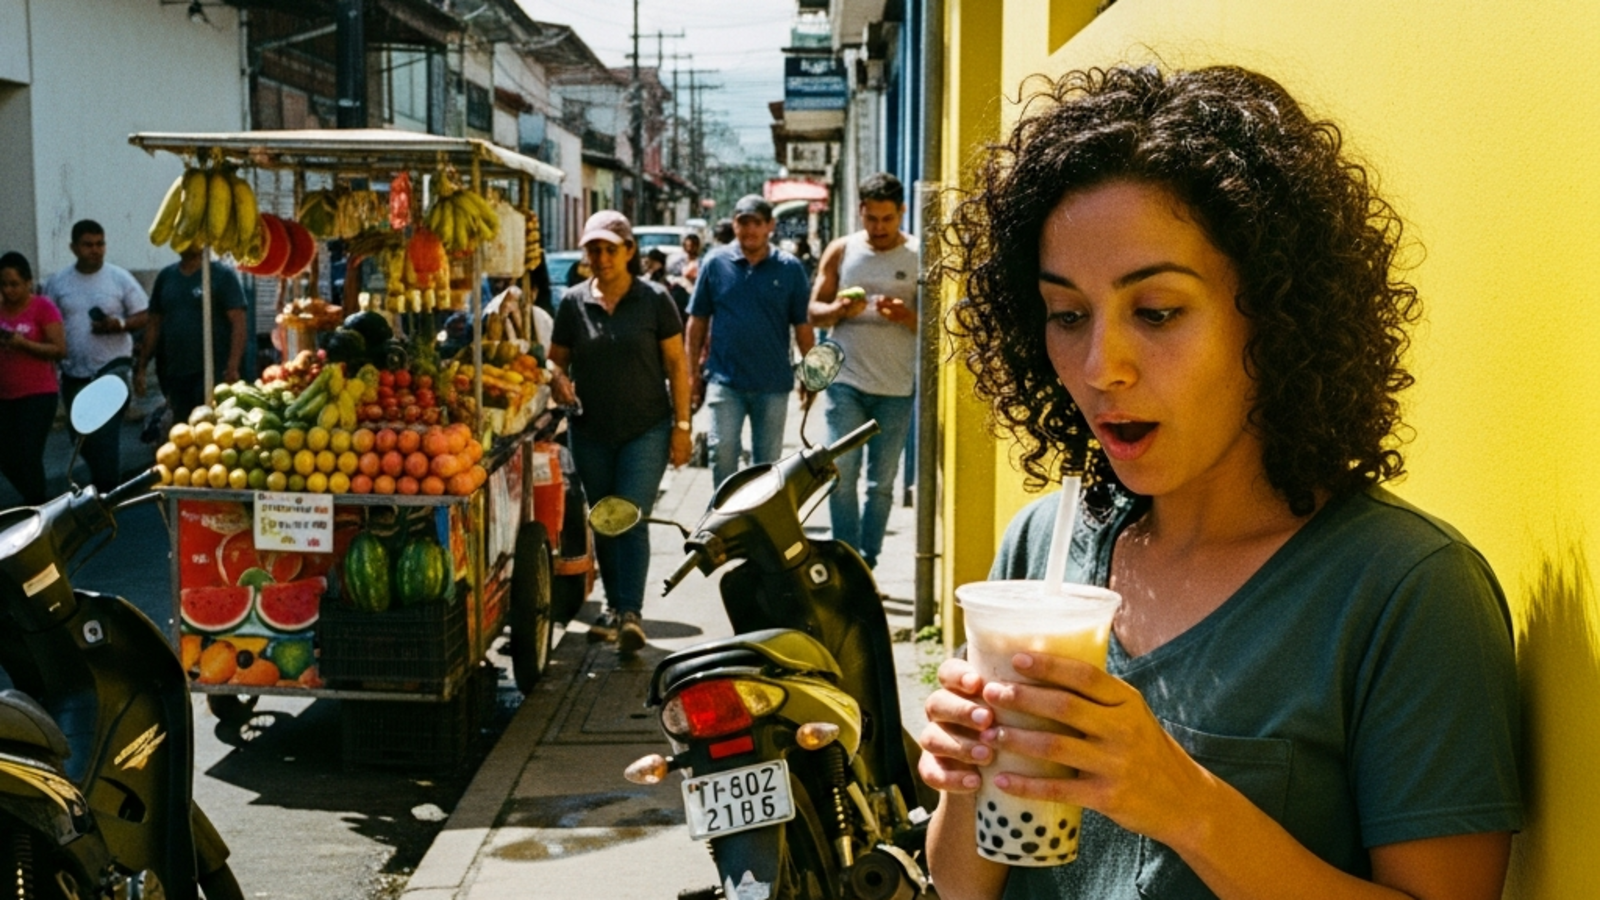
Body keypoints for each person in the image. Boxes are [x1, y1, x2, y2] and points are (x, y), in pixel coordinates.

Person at [919, 65, 1520, 900]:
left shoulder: (1406, 592)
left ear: (1275, 315)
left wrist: (1184, 805)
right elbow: (959, 887)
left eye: (1157, 311)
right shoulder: (1044, 548)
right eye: (1067, 315)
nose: (1101, 368)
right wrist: (965, 772)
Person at [549, 211, 692, 656]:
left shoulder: (654, 299)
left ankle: (630, 613)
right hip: (590, 428)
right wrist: (556, 378)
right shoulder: (573, 301)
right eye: (594, 249)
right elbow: (556, 359)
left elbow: (676, 364)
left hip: (645, 427)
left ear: (629, 251)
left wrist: (682, 427)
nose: (602, 257)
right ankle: (613, 608)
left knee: (629, 515)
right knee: (603, 518)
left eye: (611, 249)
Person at [808, 173, 920, 569]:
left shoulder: (917, 255)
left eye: (887, 219)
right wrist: (839, 310)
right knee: (839, 472)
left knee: (881, 483)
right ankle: (846, 557)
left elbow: (934, 323)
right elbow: (813, 311)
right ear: (860, 211)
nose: (878, 228)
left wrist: (908, 316)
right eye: (871, 218)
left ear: (902, 212)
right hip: (846, 380)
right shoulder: (842, 250)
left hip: (896, 384)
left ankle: (868, 560)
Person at [685, 195, 815, 487]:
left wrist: (812, 375)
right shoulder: (715, 263)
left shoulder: (789, 268)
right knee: (723, 454)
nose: (750, 230)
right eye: (743, 223)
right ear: (734, 225)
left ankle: (759, 529)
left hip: (773, 383)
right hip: (724, 380)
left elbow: (803, 326)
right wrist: (691, 374)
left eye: (757, 223)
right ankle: (724, 526)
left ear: (770, 225)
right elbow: (696, 323)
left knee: (767, 468)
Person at [44, 220, 148, 492]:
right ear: (73, 247)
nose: (95, 250)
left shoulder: (119, 277)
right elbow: (47, 321)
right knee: (80, 435)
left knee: (104, 432)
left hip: (113, 368)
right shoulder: (58, 282)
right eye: (88, 245)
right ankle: (101, 484)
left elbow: (144, 314)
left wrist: (120, 325)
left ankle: (107, 491)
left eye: (100, 244)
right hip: (74, 373)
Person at [134, 246, 248, 425]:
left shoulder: (221, 276)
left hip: (213, 372)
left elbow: (239, 322)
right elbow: (154, 323)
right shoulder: (166, 277)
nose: (188, 243)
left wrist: (233, 366)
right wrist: (141, 366)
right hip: (176, 373)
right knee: (183, 430)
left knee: (212, 428)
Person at [0, 252, 66, 505]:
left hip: (38, 394)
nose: (8, 290)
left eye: (14, 284)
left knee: (29, 453)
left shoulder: (43, 307)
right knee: (6, 455)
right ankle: (35, 498)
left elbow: (59, 350)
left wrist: (23, 344)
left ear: (28, 282)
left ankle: (38, 507)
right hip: (5, 396)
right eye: (3, 284)